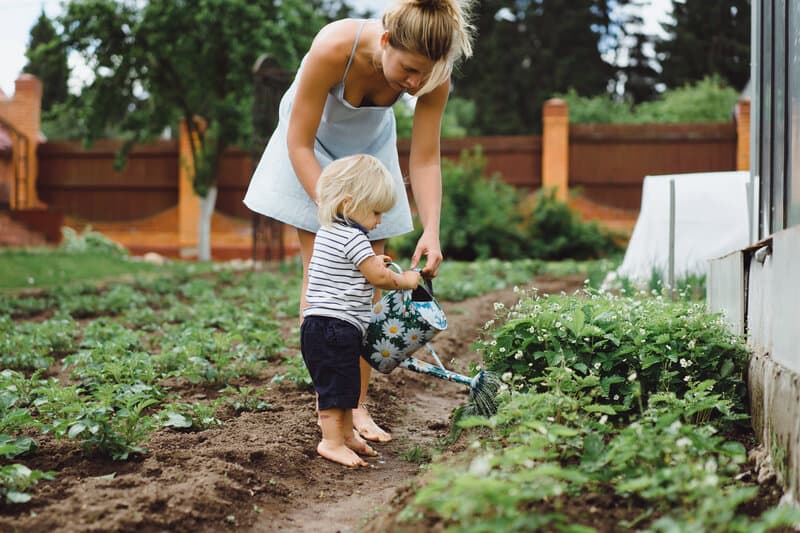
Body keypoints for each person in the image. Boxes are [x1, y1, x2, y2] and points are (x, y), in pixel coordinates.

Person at [244, 0, 475, 442]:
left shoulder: (434, 78)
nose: (415, 83)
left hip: (369, 160)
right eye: (408, 70)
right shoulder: (335, 46)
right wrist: (335, 215)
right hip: (311, 157)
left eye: (424, 74)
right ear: (385, 40)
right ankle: (331, 408)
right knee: (327, 279)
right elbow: (298, 141)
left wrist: (431, 228)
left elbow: (425, 159)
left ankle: (358, 406)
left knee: (371, 285)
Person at [300, 154, 421, 466]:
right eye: (377, 212)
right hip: (334, 327)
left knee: (346, 384)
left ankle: (348, 437)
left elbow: (351, 268)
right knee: (334, 388)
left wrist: (370, 262)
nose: (380, 221)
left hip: (325, 325)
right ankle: (330, 441)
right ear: (350, 203)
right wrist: (405, 280)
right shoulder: (354, 236)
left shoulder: (329, 232)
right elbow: (379, 278)